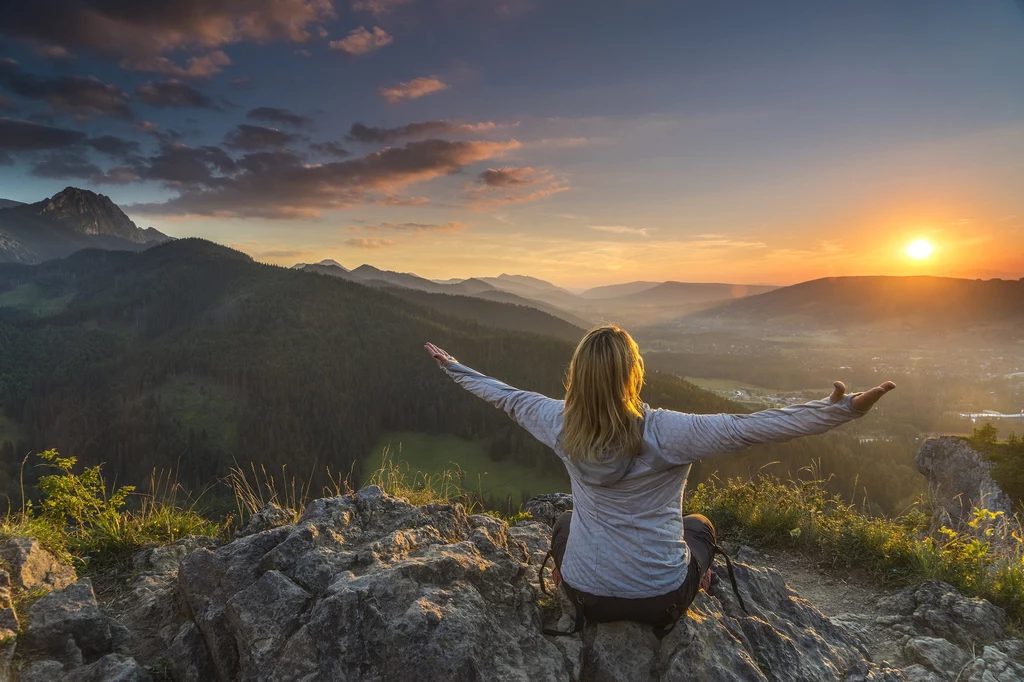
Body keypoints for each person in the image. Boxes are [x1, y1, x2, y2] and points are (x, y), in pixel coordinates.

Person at [423, 325, 894, 635]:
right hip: (660, 599)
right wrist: (838, 411)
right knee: (701, 525)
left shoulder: (556, 421)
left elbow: (503, 395)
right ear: (634, 374)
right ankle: (700, 579)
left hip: (586, 595)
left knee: (566, 522)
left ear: (578, 377)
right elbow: (748, 428)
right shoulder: (666, 431)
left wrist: (454, 367)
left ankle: (576, 603)